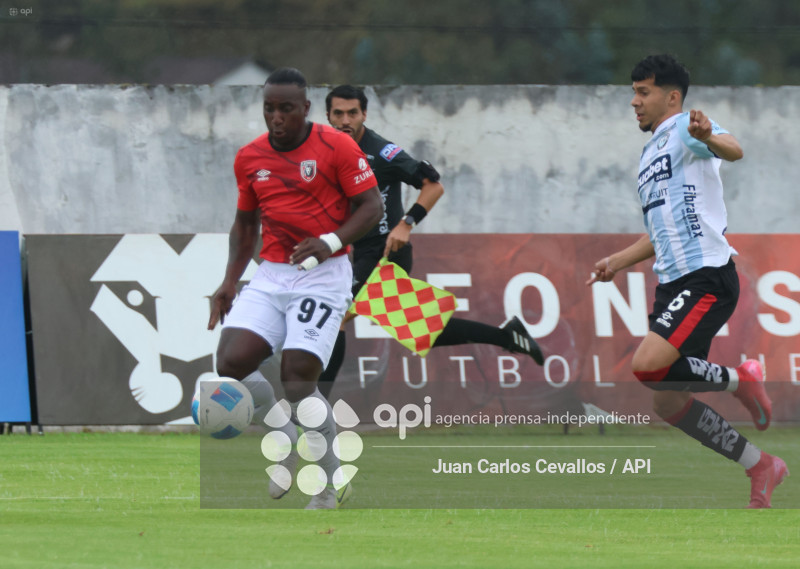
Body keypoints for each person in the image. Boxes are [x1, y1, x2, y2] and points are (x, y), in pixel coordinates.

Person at [587, 54, 788, 508]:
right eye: (633, 92)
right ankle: (761, 465)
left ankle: (742, 379)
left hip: (706, 275)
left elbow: (734, 148)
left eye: (644, 92)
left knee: (647, 366)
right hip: (673, 283)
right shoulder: (649, 153)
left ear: (671, 97)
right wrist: (617, 261)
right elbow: (662, 230)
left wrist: (708, 136)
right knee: (667, 402)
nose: (634, 101)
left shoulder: (685, 129)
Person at [207, 68, 384, 509]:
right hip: (272, 273)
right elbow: (246, 223)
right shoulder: (249, 158)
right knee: (230, 361)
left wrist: (328, 242)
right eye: (269, 108)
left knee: (298, 379)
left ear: (305, 109)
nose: (277, 116)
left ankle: (329, 482)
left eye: (286, 108)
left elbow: (372, 206)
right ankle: (282, 427)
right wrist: (230, 281)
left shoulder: (336, 146)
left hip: (325, 274)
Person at [318, 84, 544, 398]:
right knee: (424, 329)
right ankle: (507, 336)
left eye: (352, 113)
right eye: (338, 113)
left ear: (364, 114)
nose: (345, 120)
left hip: (386, 251)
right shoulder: (324, 151)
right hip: (355, 254)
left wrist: (406, 224)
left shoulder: (382, 152)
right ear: (327, 116)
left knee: (336, 314)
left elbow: (433, 187)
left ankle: (314, 411)